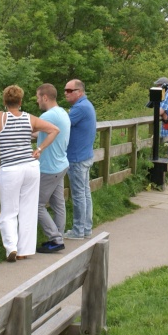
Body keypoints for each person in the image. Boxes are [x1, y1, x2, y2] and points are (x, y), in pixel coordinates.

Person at [0, 85, 59, 262]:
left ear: (4, 101)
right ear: (20, 101)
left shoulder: (0, 117)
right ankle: (24, 250)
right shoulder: (29, 118)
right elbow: (54, 130)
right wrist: (40, 149)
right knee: (28, 209)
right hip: (30, 167)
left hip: (11, 169)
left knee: (9, 210)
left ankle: (11, 247)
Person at [34, 84, 71, 254]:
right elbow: (41, 132)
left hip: (49, 168)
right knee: (58, 204)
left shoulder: (47, 115)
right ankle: (58, 236)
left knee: (37, 205)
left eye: (38, 97)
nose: (37, 101)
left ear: (45, 97)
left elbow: (31, 128)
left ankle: (55, 239)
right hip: (61, 164)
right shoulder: (61, 112)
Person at [63, 79, 96, 239]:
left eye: (70, 91)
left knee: (78, 195)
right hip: (85, 155)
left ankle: (78, 231)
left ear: (80, 92)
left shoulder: (79, 108)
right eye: (65, 90)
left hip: (77, 158)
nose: (66, 93)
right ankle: (86, 228)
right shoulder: (86, 105)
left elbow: (62, 125)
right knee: (85, 193)